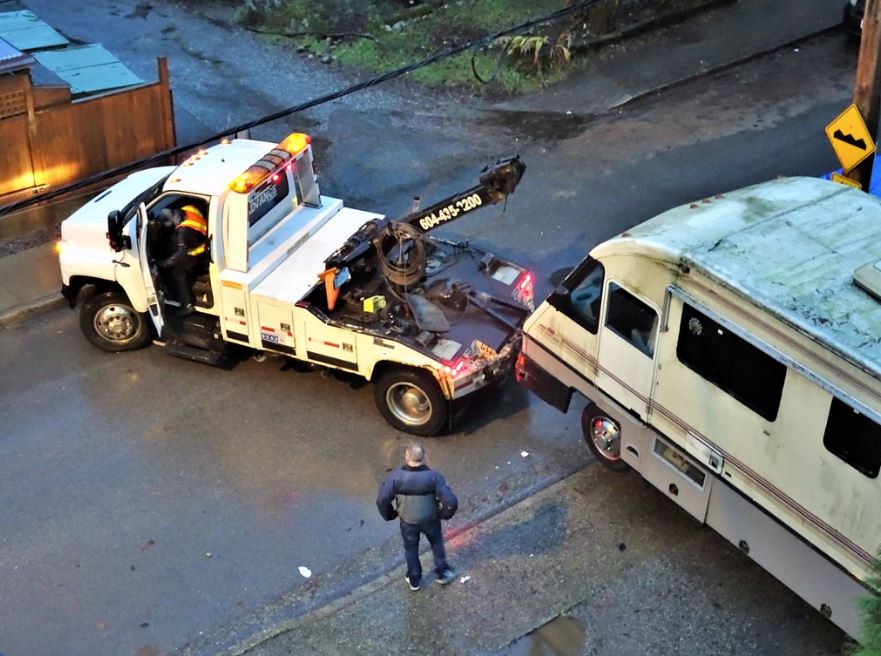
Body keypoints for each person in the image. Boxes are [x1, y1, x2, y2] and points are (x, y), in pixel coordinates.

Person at [376, 443, 458, 591]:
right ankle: (442, 571)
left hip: (408, 522)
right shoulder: (434, 477)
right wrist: (443, 514)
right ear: (424, 457)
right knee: (436, 543)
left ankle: (414, 579)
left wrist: (391, 514)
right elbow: (451, 502)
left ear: (407, 457)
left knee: (411, 549)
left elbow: (382, 500)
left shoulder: (395, 477)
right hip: (431, 520)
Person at [157, 204, 208, 316]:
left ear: (170, 221)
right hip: (204, 240)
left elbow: (181, 252)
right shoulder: (189, 208)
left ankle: (187, 305)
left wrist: (166, 263)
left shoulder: (182, 231)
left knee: (178, 273)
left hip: (197, 253)